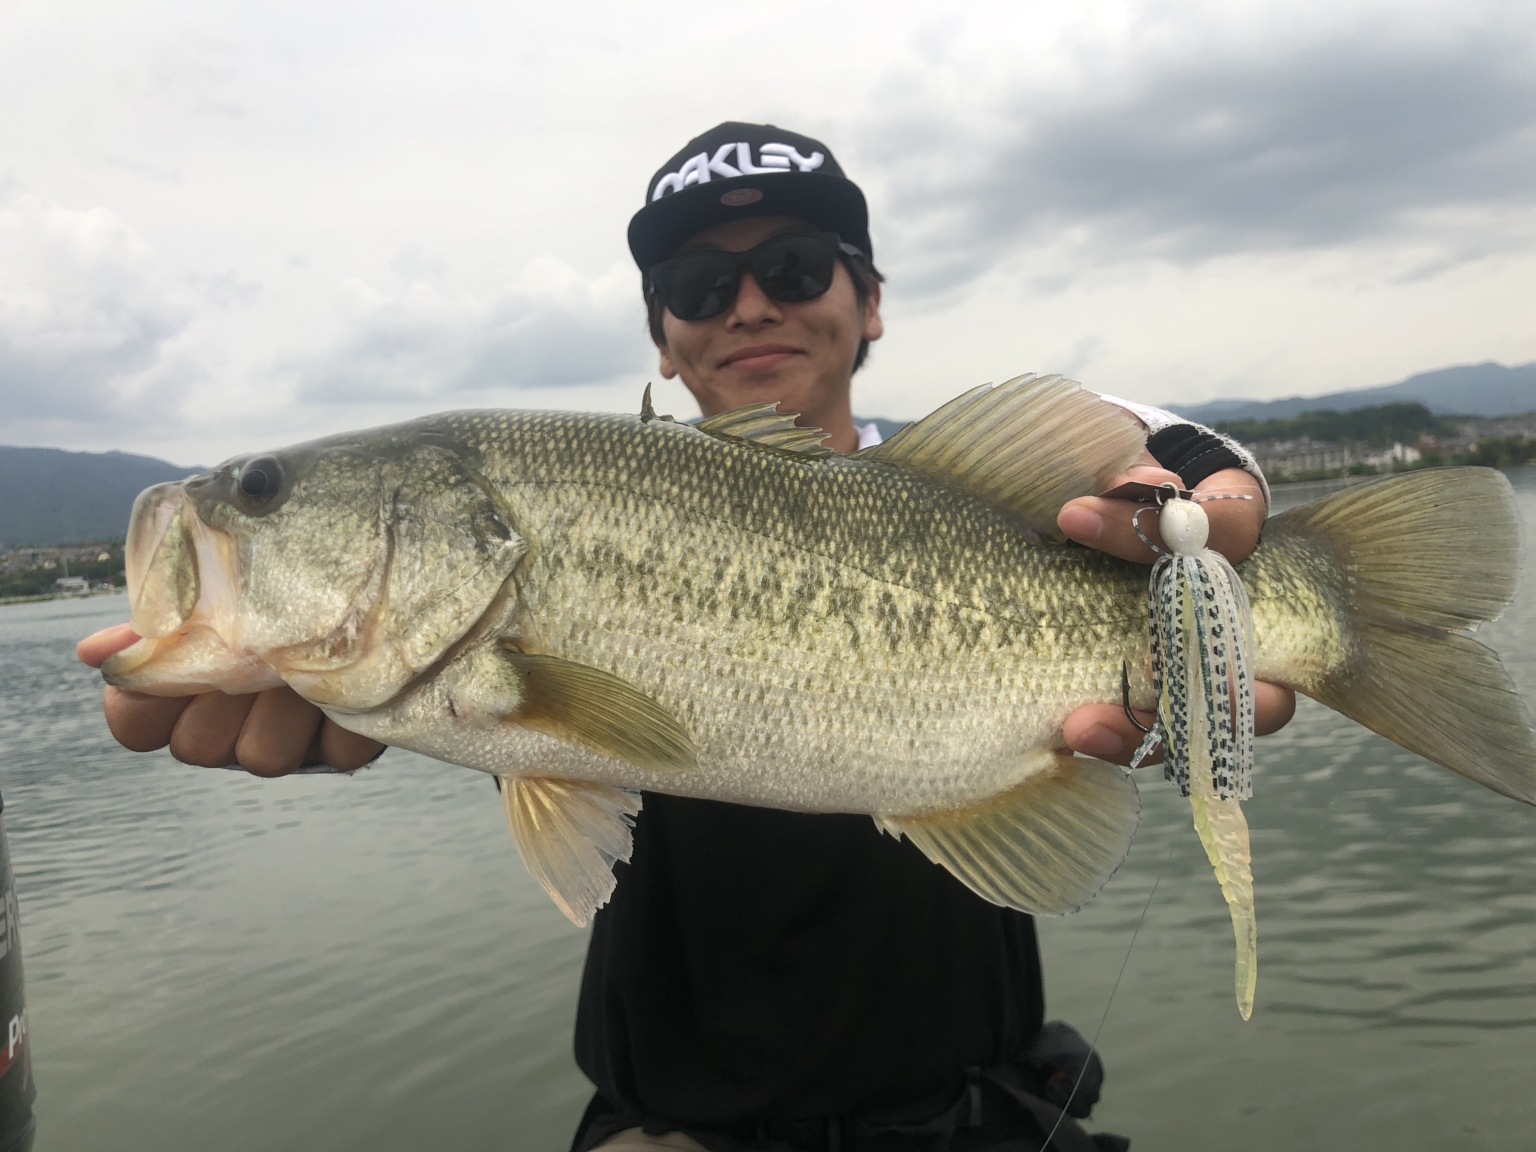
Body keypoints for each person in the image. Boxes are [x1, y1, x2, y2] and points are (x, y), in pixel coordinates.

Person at [76, 122, 1296, 1152]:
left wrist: (1211, 489)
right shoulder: (544, 553)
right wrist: (322, 674)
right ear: (664, 339)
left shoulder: (998, 502)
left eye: (798, 264)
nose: (751, 303)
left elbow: (1146, 454)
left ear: (870, 304)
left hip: (979, 1111)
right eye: (699, 290)